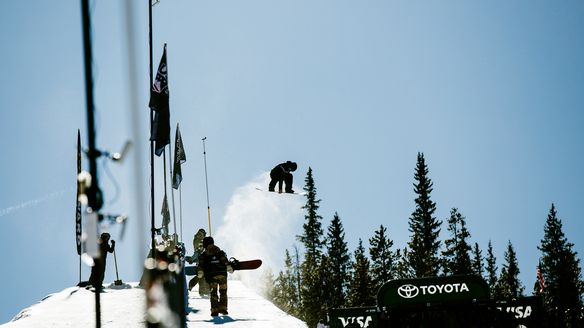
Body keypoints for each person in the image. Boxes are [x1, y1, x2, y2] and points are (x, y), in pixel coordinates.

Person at [197, 236, 233, 316]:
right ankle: (223, 308)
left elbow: (201, 264)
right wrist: (228, 266)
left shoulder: (204, 254)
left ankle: (215, 310)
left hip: (211, 275)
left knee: (213, 292)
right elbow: (224, 259)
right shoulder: (219, 252)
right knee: (223, 292)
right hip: (222, 274)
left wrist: (200, 271)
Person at [186, 229, 209, 295]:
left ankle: (203, 290)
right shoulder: (200, 241)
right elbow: (198, 252)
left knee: (201, 275)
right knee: (202, 275)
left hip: (201, 260)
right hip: (202, 261)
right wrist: (192, 259)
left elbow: (197, 252)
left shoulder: (196, 239)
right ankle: (203, 290)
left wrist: (192, 259)